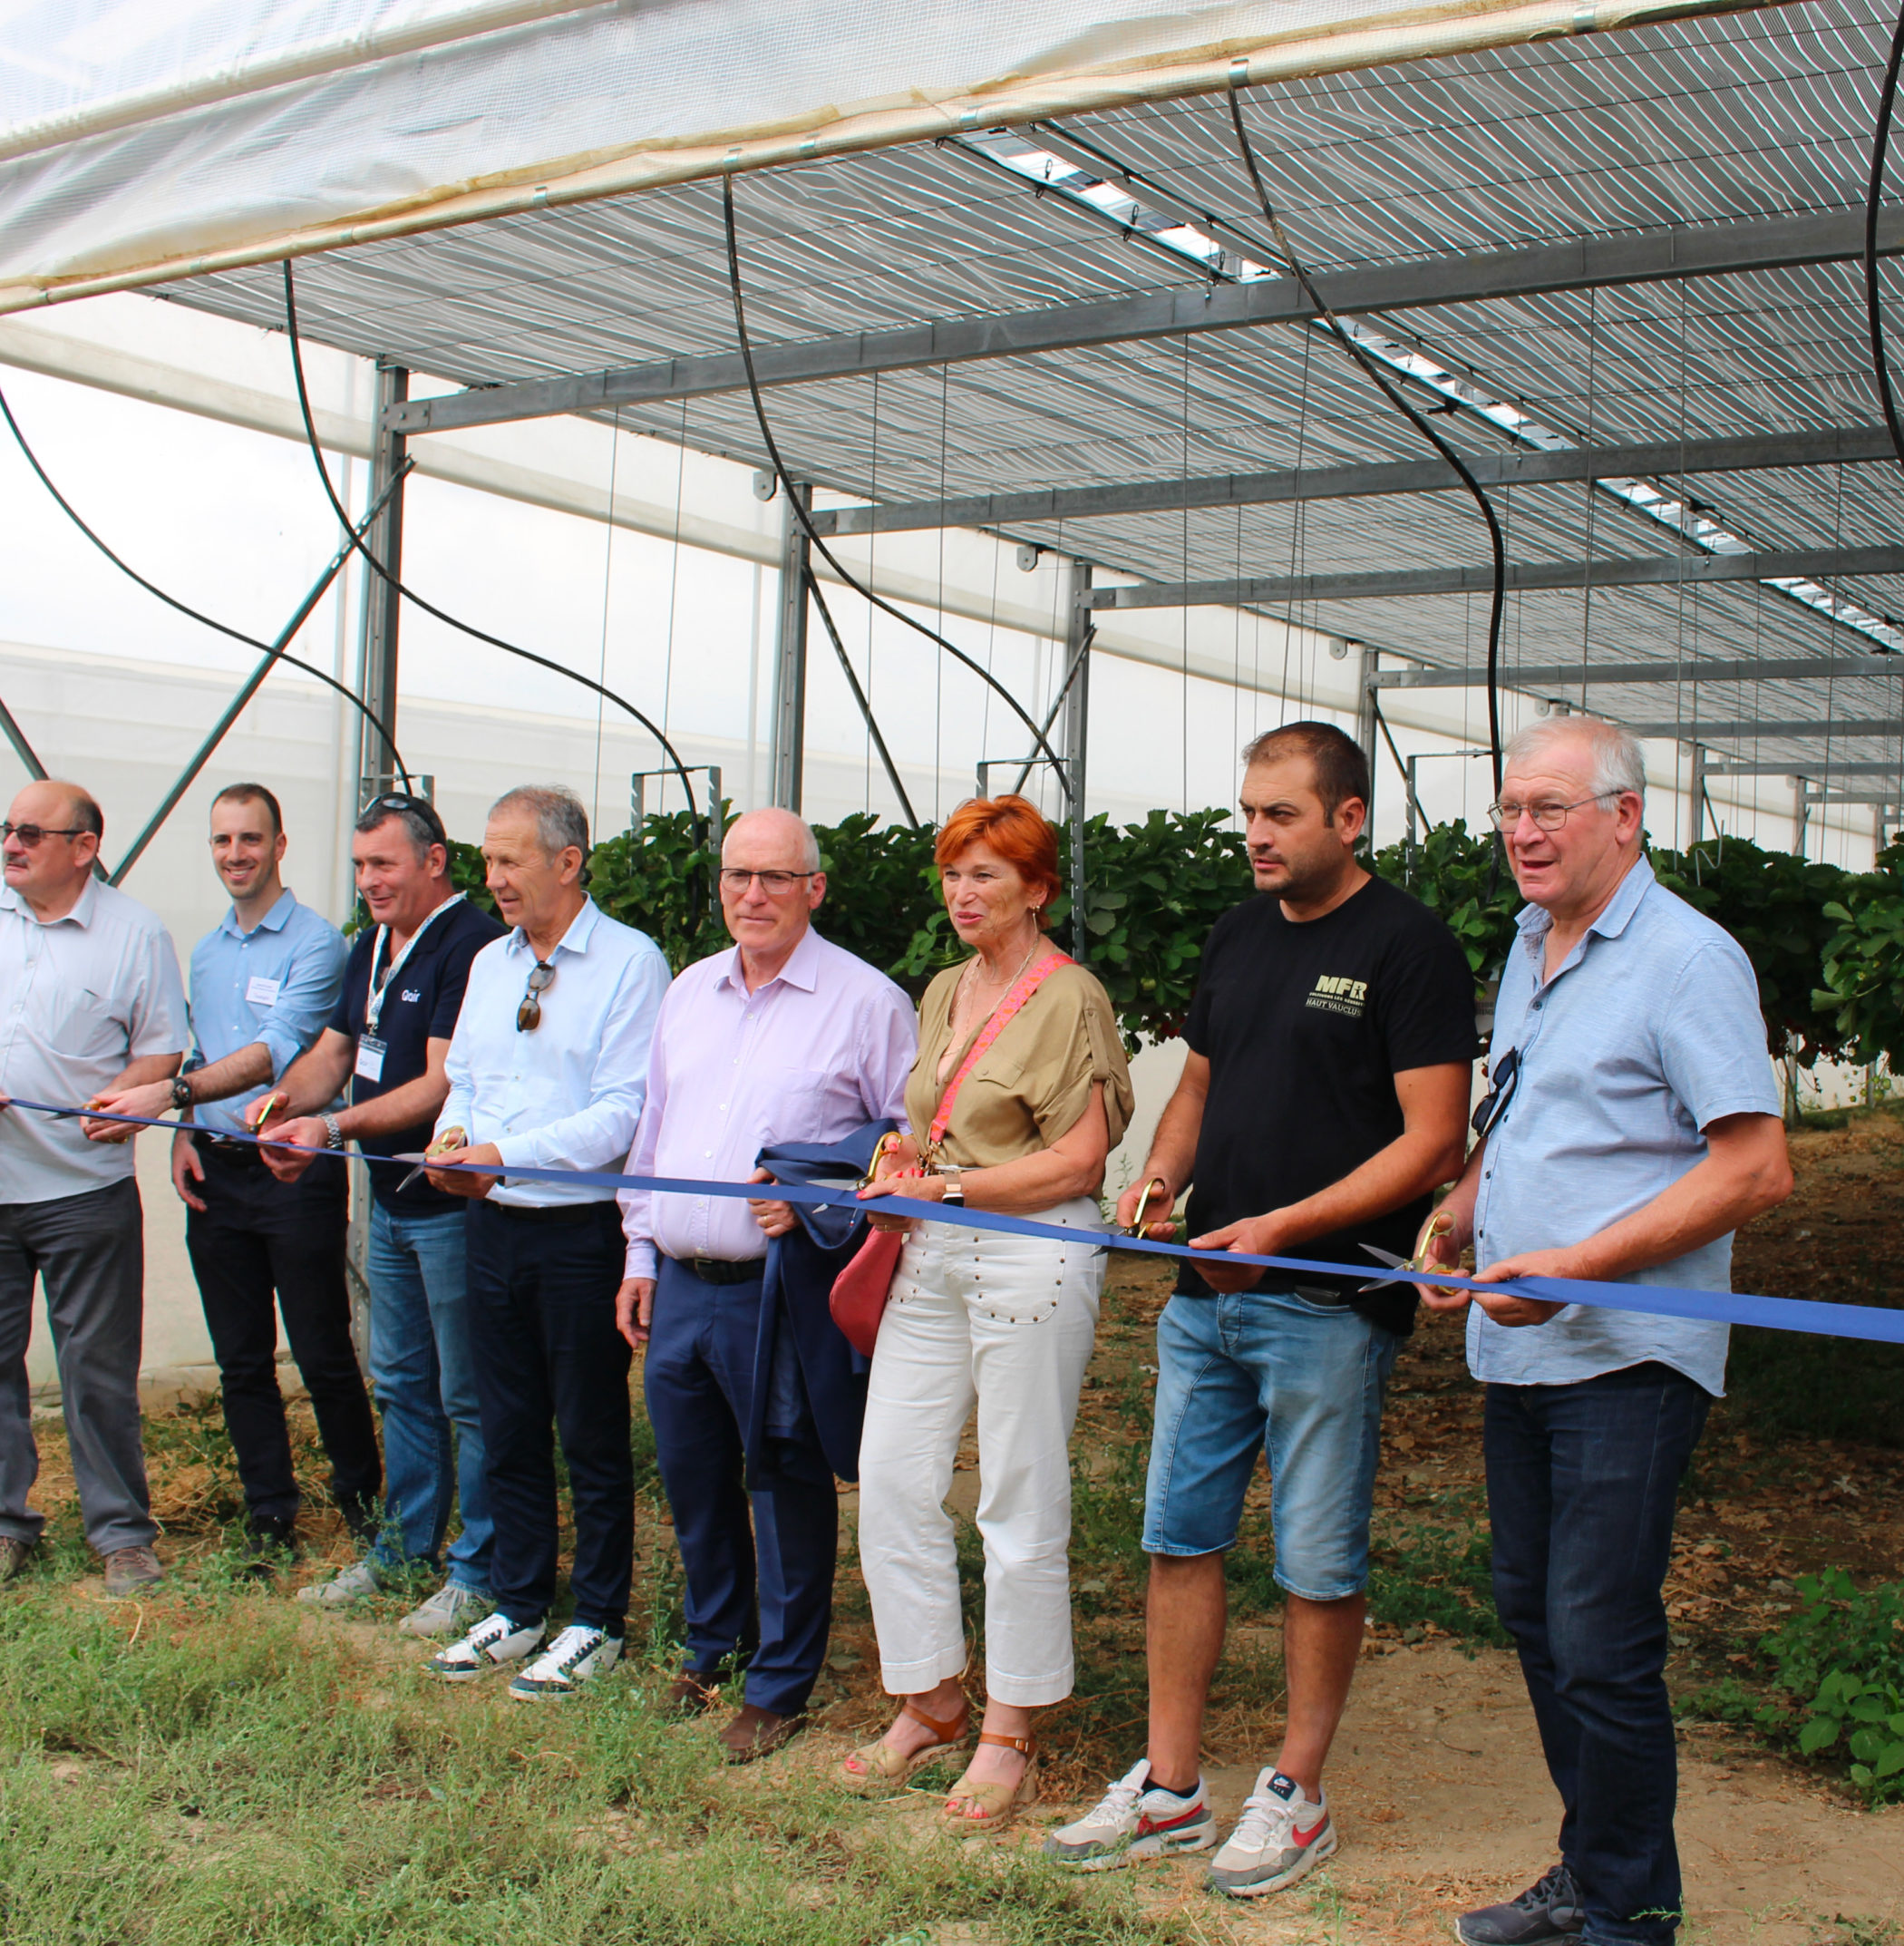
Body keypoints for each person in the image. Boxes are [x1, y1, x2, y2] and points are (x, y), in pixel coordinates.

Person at [1057, 722, 1476, 1897]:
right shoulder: (1240, 933)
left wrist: (1289, 1227)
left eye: (1281, 812)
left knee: (1316, 1556)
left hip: (1328, 1304)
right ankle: (1174, 1785)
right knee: (1178, 1534)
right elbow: (1199, 1074)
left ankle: (1297, 1789)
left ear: (1349, 818)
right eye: (1249, 809)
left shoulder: (1409, 948)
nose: (1255, 832)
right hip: (1207, 1298)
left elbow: (1435, 1137)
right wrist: (1161, 1177)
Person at [1413, 716, 1791, 1946]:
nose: (1522, 832)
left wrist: (1575, 1265)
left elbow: (1755, 1166)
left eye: (1551, 809)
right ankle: (1599, 1871)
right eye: (1510, 809)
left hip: (1629, 1349)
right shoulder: (1532, 943)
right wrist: (1462, 1211)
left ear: (1625, 817)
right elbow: (1523, 1111)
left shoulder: (1688, 959)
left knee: (1598, 1633)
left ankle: (1630, 1913)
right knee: (1535, 1613)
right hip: (1520, 1343)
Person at [843, 794, 1132, 1830]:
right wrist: (907, 1164)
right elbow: (929, 1122)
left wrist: (951, 1188)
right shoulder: (941, 990)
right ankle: (929, 1694)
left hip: (1034, 1250)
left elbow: (1080, 1159)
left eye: (988, 876)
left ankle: (1011, 1725)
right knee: (892, 1475)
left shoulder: (1073, 997)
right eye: (955, 873)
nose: (964, 893)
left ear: (1037, 889)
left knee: (1016, 1490)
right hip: (933, 1248)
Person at [614, 808, 915, 1761]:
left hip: (779, 1285)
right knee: (695, 1476)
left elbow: (899, 1142)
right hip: (681, 1281)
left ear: (814, 890)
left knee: (783, 1476)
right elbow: (652, 1130)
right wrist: (637, 1252)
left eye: (776, 878)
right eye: (738, 876)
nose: (753, 894)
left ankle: (781, 1680)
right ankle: (715, 1645)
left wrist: (819, 1195)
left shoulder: (865, 1002)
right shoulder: (688, 992)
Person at [0, 779, 188, 1598]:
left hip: (80, 1192)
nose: (10, 845)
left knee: (97, 1371)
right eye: (7, 829)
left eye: (31, 833)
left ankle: (122, 1537)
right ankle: (1, 1524)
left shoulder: (135, 935)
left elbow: (161, 1054)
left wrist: (129, 1099)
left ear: (83, 847)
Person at [420, 786, 671, 1699]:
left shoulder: (629, 964)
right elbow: (467, 1080)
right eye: (487, 860)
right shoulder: (490, 962)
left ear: (568, 861)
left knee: (591, 1430)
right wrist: (455, 1142)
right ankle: (519, 1602)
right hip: (489, 1221)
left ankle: (598, 1616)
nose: (494, 878)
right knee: (507, 1422)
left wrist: (501, 1153)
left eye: (509, 859)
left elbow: (621, 1114)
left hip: (576, 1233)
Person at [88, 783, 374, 1567]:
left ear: (281, 846)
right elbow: (205, 1055)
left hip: (292, 1172)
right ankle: (269, 1515)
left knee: (321, 1351)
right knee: (241, 1359)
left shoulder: (318, 945)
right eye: (222, 842)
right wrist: (184, 1129)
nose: (236, 856)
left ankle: (364, 1506)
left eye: (251, 840)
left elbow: (278, 1051)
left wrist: (176, 1094)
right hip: (216, 1177)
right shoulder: (209, 951)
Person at [258, 791, 504, 1635]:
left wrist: (326, 1126)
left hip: (446, 1207)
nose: (368, 880)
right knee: (401, 1382)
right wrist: (282, 1104)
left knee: (466, 1392)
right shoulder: (371, 945)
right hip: (387, 1200)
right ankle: (404, 1551)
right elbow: (336, 1049)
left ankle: (479, 1568)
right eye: (360, 865)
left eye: (384, 864)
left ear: (434, 861)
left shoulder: (469, 946)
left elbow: (439, 1085)